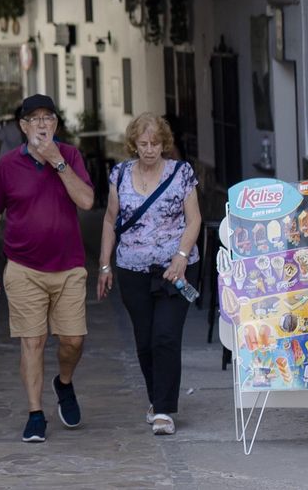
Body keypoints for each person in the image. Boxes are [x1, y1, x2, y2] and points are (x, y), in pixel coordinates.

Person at [0, 94, 95, 443]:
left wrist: (58, 161)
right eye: (35, 119)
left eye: (48, 118)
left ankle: (64, 382)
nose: (42, 124)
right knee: (32, 341)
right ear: (23, 126)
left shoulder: (70, 156)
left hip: (69, 267)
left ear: (56, 124)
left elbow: (87, 201)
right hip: (24, 268)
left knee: (73, 340)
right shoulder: (8, 165)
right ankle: (35, 414)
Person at [96, 113, 201, 437]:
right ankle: (157, 399)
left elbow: (194, 219)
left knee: (165, 336)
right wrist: (104, 265)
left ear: (164, 143)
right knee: (144, 340)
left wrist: (181, 257)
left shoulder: (181, 173)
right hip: (133, 270)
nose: (150, 149)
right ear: (134, 144)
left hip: (175, 270)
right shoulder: (120, 175)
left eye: (155, 143)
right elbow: (110, 220)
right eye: (143, 143)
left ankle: (164, 410)